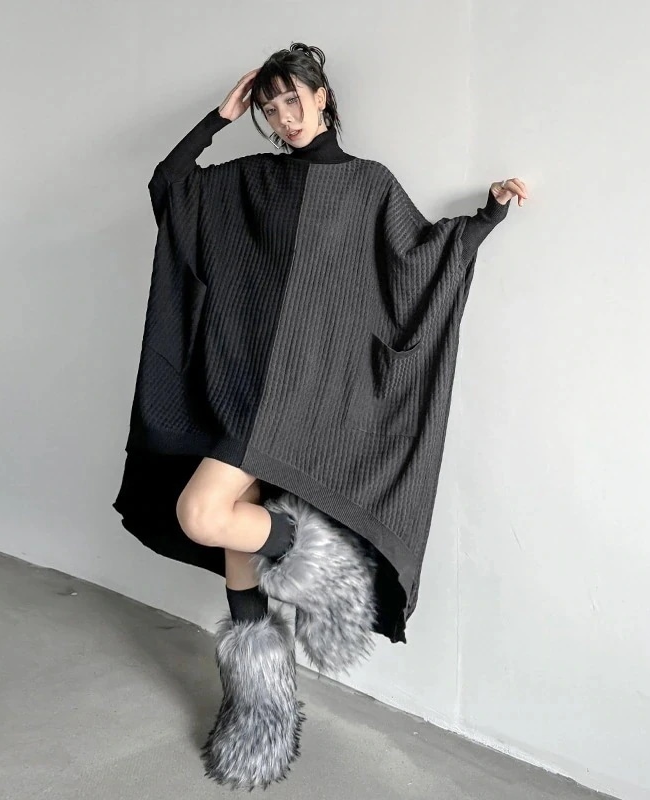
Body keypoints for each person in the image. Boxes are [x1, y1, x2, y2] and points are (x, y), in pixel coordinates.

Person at [113, 42, 528, 790]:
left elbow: (420, 262)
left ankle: (320, 559)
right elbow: (169, 185)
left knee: (201, 514)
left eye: (292, 99)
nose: (283, 115)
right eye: (269, 106)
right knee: (233, 549)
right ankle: (259, 715)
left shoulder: (368, 185)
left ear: (323, 96)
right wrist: (218, 118)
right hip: (238, 386)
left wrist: (487, 217)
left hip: (300, 402)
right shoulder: (252, 180)